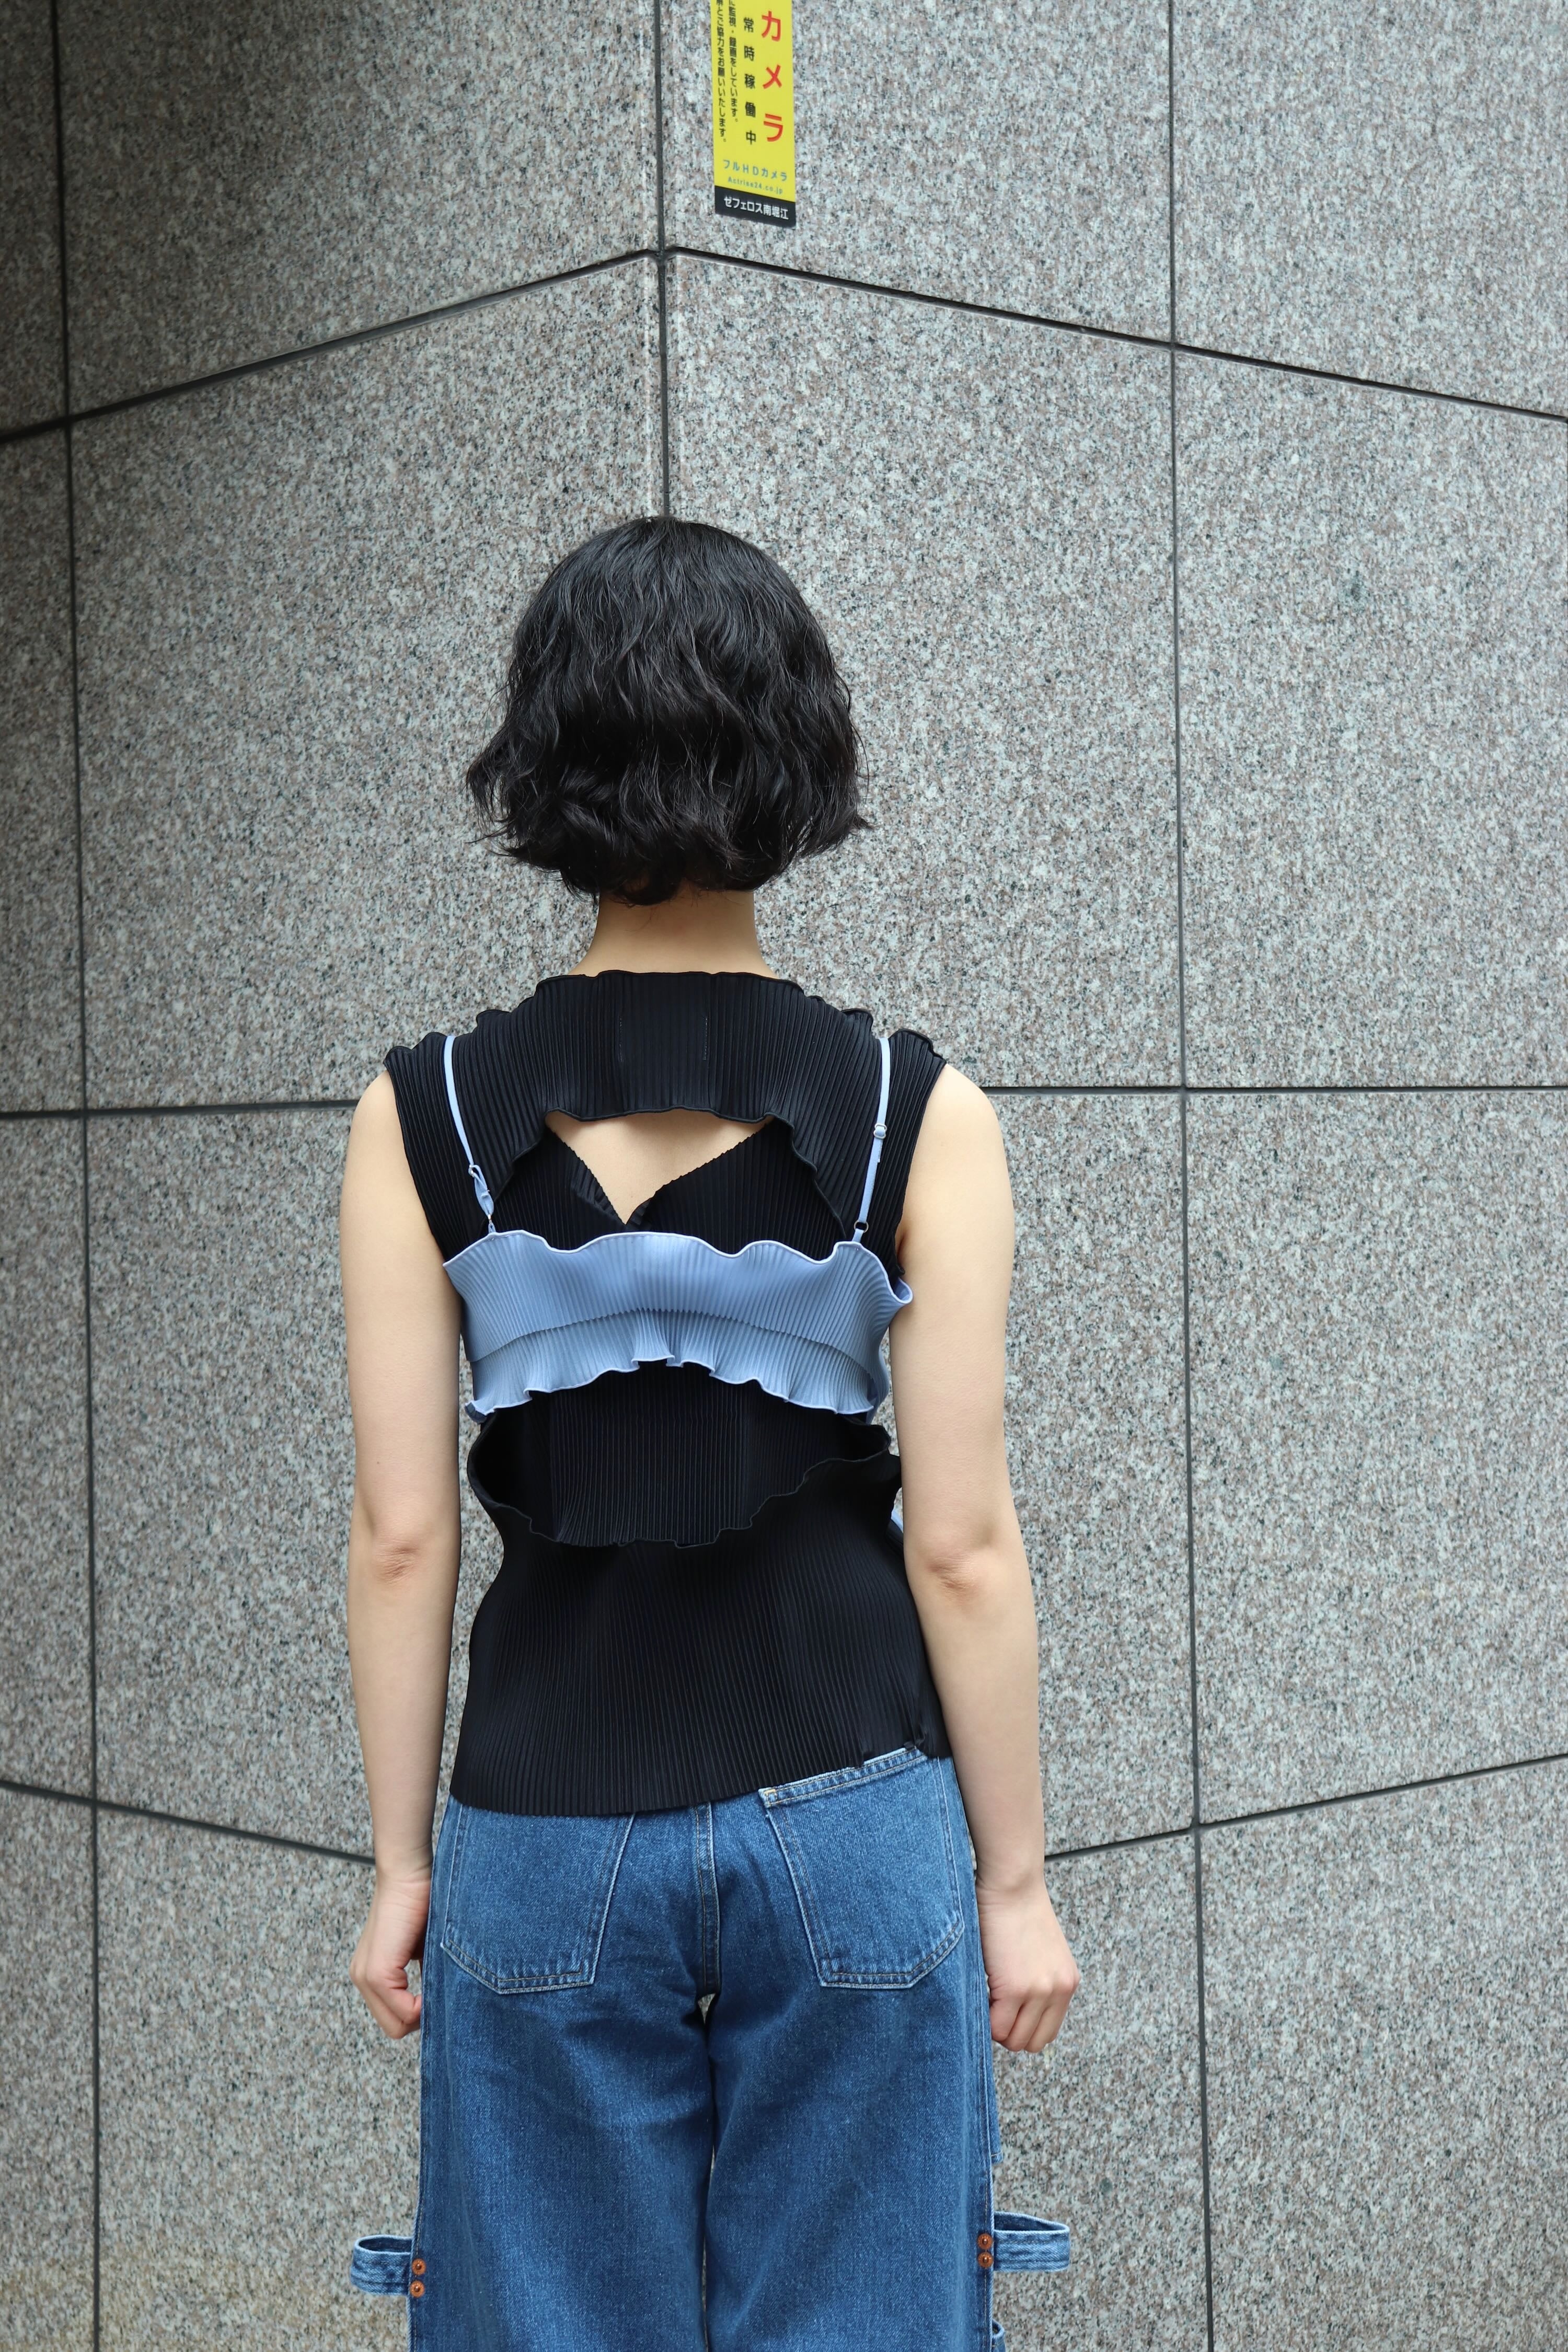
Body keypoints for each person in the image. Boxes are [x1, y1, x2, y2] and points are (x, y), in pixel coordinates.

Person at [339, 517, 1078, 2350]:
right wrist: (1015, 1882)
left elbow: (401, 1536)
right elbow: (963, 1544)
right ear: (797, 758)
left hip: (540, 1813)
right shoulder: (915, 1112)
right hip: (852, 1812)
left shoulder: (421, 1115)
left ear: (544, 764)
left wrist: (402, 1867)